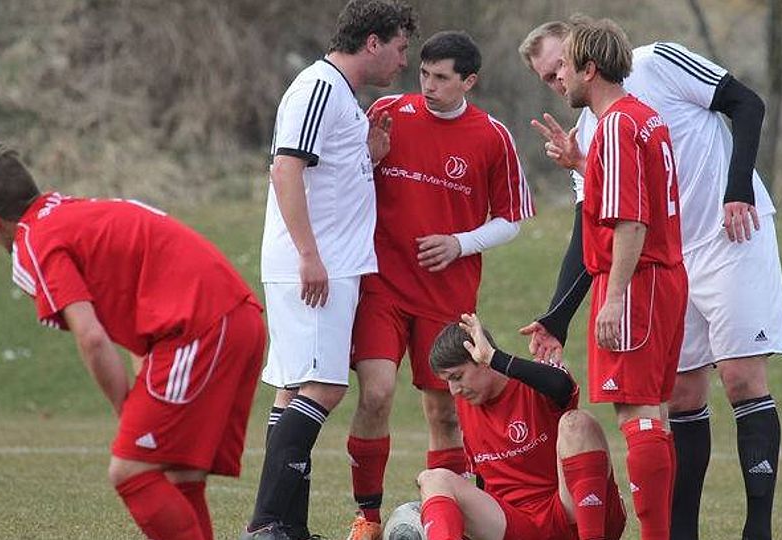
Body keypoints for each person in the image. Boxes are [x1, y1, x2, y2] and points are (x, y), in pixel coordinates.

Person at [518, 19, 782, 540]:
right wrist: (559, 316)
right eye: (546, 78)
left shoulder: (653, 67)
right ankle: (679, 531)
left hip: (727, 234)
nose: (556, 82)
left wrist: (739, 189)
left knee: (739, 379)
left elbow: (747, 103)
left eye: (561, 68)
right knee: (683, 394)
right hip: (665, 257)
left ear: (583, 57)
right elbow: (592, 227)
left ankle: (758, 529)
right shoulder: (597, 128)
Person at [0, 143, 266, 540]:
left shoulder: (37, 240)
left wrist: (127, 412)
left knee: (130, 471)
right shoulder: (72, 211)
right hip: (229, 318)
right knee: (176, 473)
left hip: (201, 327)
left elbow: (92, 338)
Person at [344, 30, 534, 540]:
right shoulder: (388, 110)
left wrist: (459, 242)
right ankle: (367, 517)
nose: (427, 85)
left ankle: (447, 519)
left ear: (468, 80)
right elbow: (344, 178)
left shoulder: (491, 136)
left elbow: (512, 218)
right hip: (382, 285)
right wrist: (371, 160)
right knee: (376, 394)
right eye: (423, 73)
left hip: (446, 296)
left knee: (445, 412)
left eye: (441, 78)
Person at [246, 1, 418, 539]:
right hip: (316, 265)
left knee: (294, 387)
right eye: (399, 47)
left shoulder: (339, 94)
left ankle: (284, 526)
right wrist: (308, 254)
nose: (402, 60)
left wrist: (368, 155)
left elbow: (324, 173)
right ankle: (269, 525)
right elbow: (285, 168)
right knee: (324, 386)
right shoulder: (319, 86)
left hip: (324, 262)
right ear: (372, 42)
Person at [545, 17, 689, 540]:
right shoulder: (642, 118)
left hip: (638, 280)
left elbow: (632, 218)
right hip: (664, 276)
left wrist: (615, 299)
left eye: (564, 66)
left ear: (590, 68)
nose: (560, 77)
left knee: (637, 409)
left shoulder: (615, 126)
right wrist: (582, 162)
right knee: (652, 410)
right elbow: (634, 190)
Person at [418, 313, 626, 540]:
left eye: (458, 376)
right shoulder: (466, 403)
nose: (454, 389)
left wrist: (496, 357)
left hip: (569, 514)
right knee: (432, 478)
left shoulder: (532, 381)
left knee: (578, 423)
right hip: (517, 526)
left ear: (484, 360)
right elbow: (483, 481)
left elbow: (562, 385)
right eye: (448, 380)